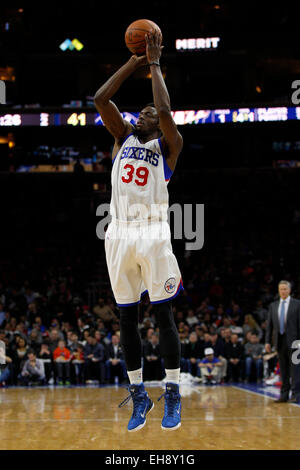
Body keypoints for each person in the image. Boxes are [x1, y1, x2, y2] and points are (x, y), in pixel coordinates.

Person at [94, 30, 183, 432]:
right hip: (119, 233)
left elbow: (164, 112)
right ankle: (139, 394)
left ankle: (173, 391)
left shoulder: (169, 144)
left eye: (150, 110)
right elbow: (100, 99)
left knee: (163, 315)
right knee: (126, 320)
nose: (144, 111)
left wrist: (155, 63)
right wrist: (133, 61)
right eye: (141, 109)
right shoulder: (122, 137)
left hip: (153, 232)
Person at [265, 280, 300, 403]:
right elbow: (269, 326)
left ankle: (296, 394)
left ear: (289, 290)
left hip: (296, 342)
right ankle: (284, 395)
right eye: (281, 289)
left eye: (285, 289)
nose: (283, 291)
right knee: (283, 369)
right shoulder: (273, 306)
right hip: (280, 341)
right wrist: (267, 342)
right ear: (278, 290)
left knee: (295, 369)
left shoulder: (297, 304)